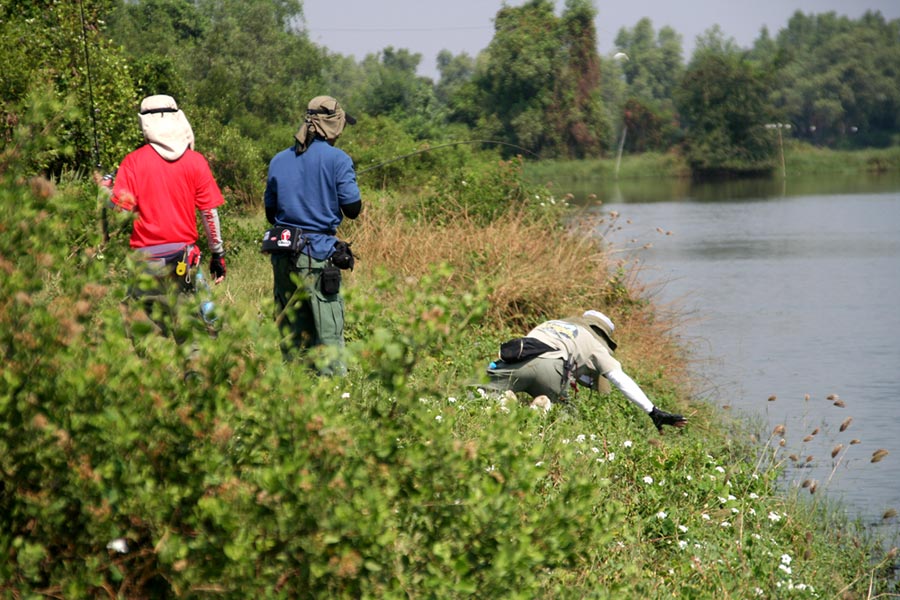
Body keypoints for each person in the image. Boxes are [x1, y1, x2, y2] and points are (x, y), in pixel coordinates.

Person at [110, 94, 227, 339]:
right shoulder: (195, 161)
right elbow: (209, 213)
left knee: (150, 334)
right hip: (185, 260)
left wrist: (105, 191)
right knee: (197, 329)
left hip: (144, 261)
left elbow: (119, 215)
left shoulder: (132, 162)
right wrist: (218, 255)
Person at [263, 95, 362, 375]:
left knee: (293, 336)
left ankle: (295, 398)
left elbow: (271, 213)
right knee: (328, 335)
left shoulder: (279, 160)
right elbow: (352, 208)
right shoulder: (338, 159)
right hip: (318, 256)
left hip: (283, 257)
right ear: (334, 125)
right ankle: (333, 400)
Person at [482, 310, 687, 433]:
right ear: (602, 334)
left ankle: (502, 400)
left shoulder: (549, 324)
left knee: (481, 391)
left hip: (521, 362)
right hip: (553, 370)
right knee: (565, 414)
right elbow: (618, 378)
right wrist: (652, 411)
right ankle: (540, 412)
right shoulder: (595, 344)